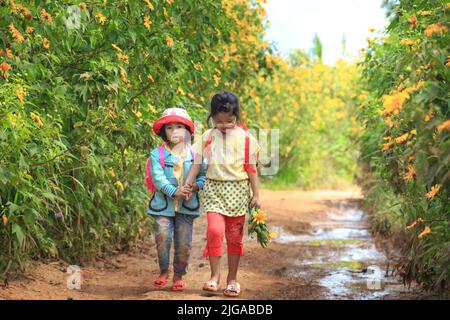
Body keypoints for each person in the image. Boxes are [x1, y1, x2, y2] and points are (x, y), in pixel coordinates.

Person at [184, 92, 261, 297]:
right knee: (215, 231)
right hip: (214, 190)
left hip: (238, 191)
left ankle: (232, 279)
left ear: (237, 116)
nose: (224, 126)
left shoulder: (246, 138)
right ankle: (214, 276)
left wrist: (256, 195)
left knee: (235, 239)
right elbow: (197, 164)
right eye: (219, 121)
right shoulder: (207, 137)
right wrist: (188, 184)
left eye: (230, 121)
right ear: (212, 117)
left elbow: (251, 168)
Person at [147, 107, 206, 291]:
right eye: (170, 127)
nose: (174, 131)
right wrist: (174, 191)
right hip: (163, 206)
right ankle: (164, 270)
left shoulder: (195, 155)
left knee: (184, 242)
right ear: (163, 131)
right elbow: (158, 178)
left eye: (179, 127)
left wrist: (194, 186)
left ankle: (179, 274)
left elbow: (203, 176)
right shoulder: (157, 154)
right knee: (162, 237)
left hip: (186, 207)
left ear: (187, 131)